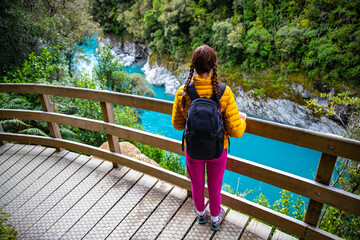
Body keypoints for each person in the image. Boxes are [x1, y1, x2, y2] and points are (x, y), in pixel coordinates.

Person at [171, 44, 247, 231]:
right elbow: (236, 131)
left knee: (197, 185)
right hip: (217, 149)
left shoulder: (183, 92)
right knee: (215, 186)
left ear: (193, 66)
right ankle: (215, 218)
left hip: (193, 149)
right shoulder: (224, 91)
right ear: (214, 65)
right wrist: (243, 120)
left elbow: (177, 125)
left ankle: (200, 215)